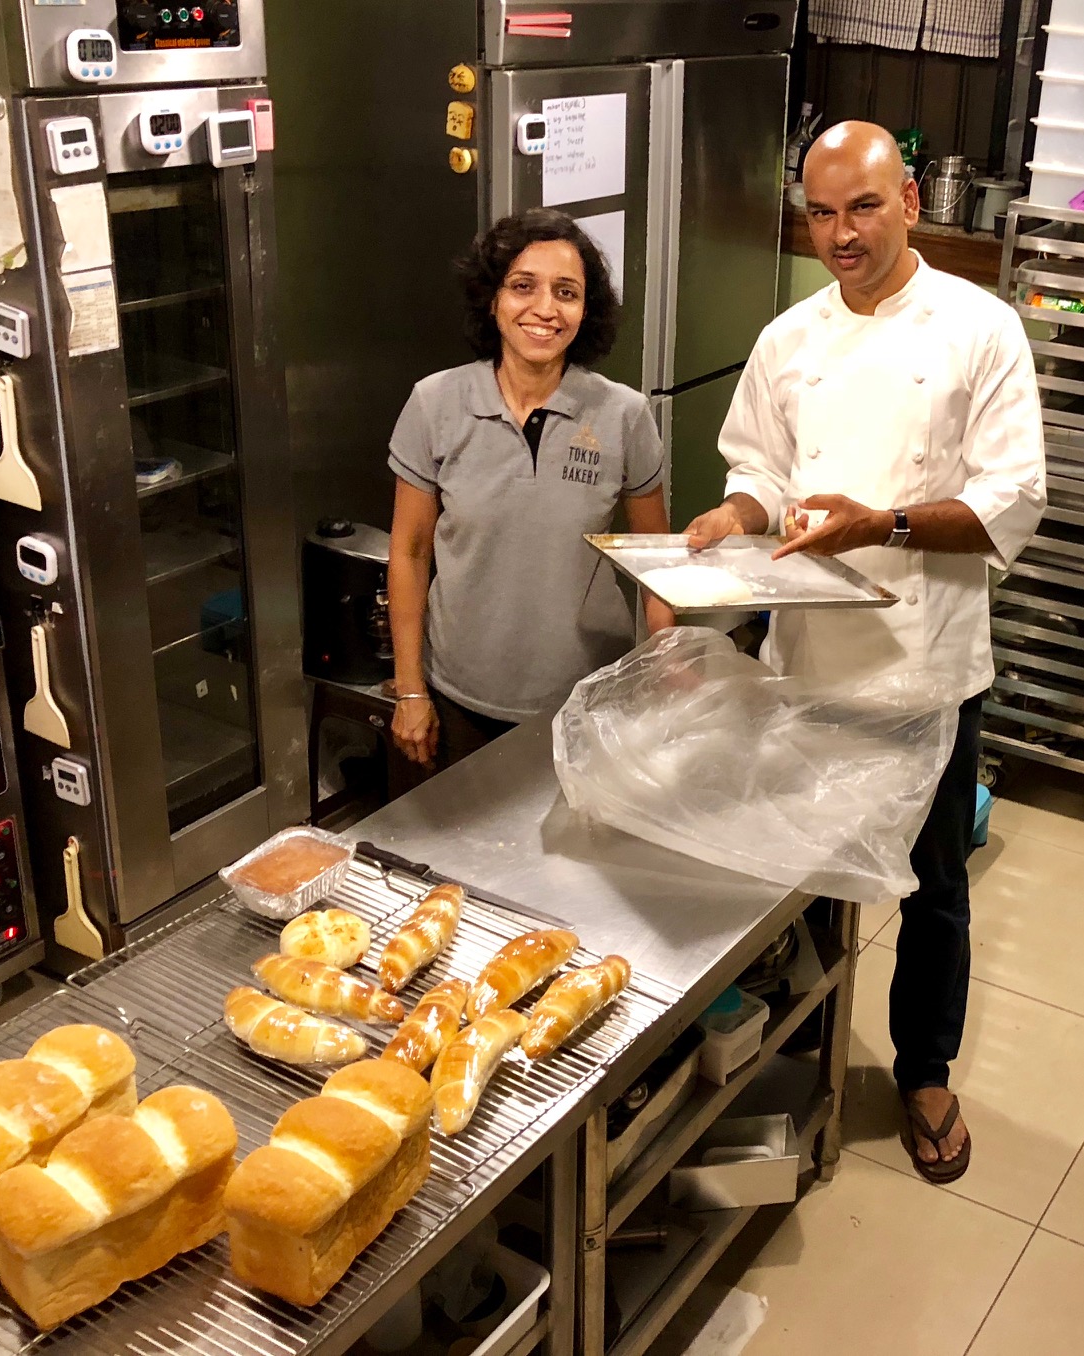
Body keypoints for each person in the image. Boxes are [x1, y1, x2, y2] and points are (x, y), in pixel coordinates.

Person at [683, 121, 1045, 1184]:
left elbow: (1008, 499)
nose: (840, 233)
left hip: (925, 665)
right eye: (821, 212)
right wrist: (728, 517)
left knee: (932, 883)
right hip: (804, 661)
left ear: (909, 205)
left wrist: (877, 526)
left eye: (863, 208)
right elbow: (758, 466)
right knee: (797, 869)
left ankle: (923, 1070)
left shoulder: (980, 329)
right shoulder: (788, 338)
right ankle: (798, 1034)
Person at [387, 208, 673, 773]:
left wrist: (663, 671)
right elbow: (410, 552)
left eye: (566, 292)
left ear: (585, 310)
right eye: (523, 287)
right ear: (491, 300)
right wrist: (410, 689)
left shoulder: (623, 415)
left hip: (588, 696)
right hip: (459, 696)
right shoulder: (434, 404)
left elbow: (656, 561)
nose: (545, 309)